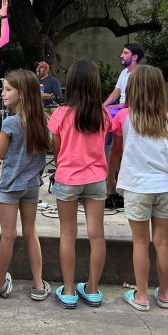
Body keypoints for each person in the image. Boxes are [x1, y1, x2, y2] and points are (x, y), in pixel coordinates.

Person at [107, 66, 168, 311]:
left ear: (132, 89)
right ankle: (166, 294)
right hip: (165, 186)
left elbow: (115, 151)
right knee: (162, 242)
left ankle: (141, 296)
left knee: (141, 243)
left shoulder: (123, 117)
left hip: (138, 187)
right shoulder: (166, 118)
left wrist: (110, 180)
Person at [47, 61, 110, 309]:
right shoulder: (102, 114)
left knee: (67, 233)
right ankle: (93, 289)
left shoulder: (60, 113)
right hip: (96, 179)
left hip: (67, 178)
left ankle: (70, 290)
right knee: (97, 234)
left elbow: (57, 146)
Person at [0, 69, 51, 301]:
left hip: (10, 186)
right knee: (31, 232)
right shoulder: (42, 120)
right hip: (32, 184)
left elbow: (0, 154)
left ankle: (0, 282)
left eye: (8, 89)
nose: (4, 93)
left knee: (8, 235)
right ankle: (38, 284)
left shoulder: (10, 123)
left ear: (22, 93)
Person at [102, 44, 145, 108]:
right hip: (122, 109)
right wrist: (102, 106)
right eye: (122, 52)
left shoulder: (141, 74)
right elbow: (115, 93)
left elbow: (138, 101)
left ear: (134, 57)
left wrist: (115, 106)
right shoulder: (124, 72)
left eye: (125, 53)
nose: (121, 56)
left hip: (134, 111)